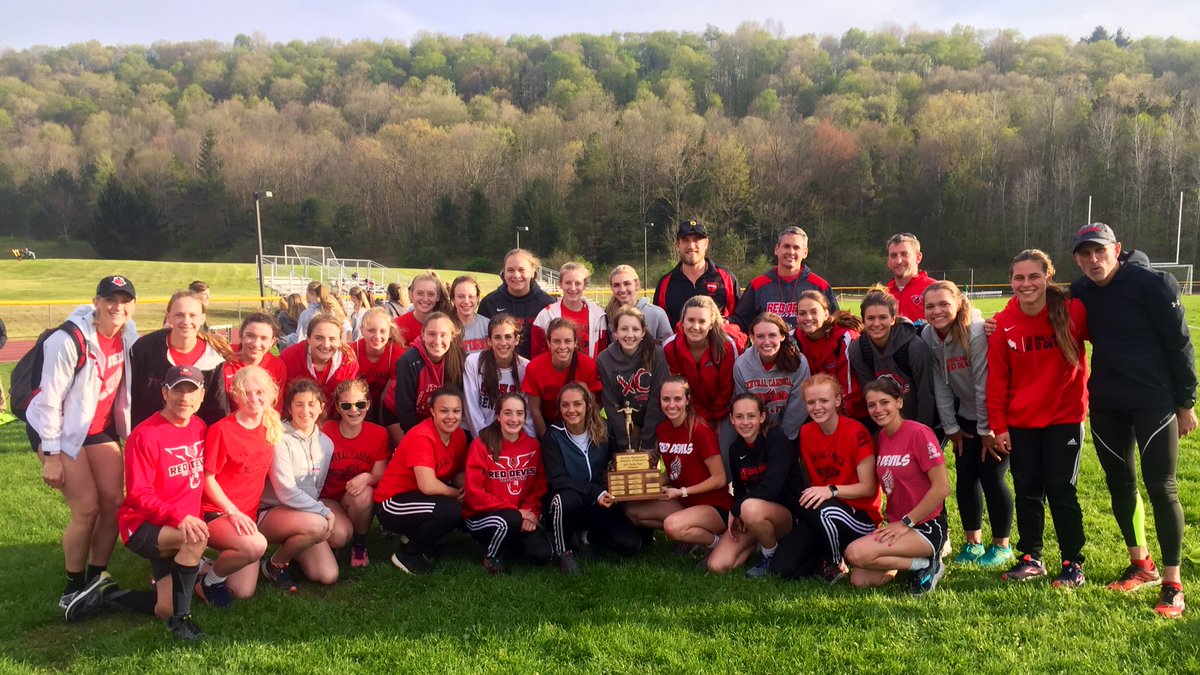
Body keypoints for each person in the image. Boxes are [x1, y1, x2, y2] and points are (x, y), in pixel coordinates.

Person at [1070, 223, 1195, 617]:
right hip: (1107, 400)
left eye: (1099, 251)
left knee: (1163, 488)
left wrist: (1186, 403)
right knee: (1119, 483)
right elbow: (1039, 301)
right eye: (1084, 254)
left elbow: (1180, 344)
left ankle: (1173, 583)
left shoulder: (1152, 285)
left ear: (1116, 249)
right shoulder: (1083, 289)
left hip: (1154, 401)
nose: (1093, 260)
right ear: (1077, 259)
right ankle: (1142, 564)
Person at [26, 275, 139, 621]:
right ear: (96, 301)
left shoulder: (127, 333)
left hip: (99, 428)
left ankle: (96, 576)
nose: (117, 307)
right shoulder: (68, 339)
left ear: (133, 305)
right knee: (87, 508)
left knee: (113, 503)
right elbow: (48, 403)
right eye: (110, 299)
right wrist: (52, 455)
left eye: (124, 300)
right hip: (59, 428)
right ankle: (71, 586)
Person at [987, 249, 1089, 588]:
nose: (1026, 283)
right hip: (1022, 422)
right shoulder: (1003, 322)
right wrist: (998, 426)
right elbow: (997, 380)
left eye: (1034, 276)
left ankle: (1072, 562)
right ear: (1011, 281)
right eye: (1019, 277)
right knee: (1028, 489)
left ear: (1047, 276)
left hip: (1064, 418)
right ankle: (1031, 557)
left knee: (1061, 489)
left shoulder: (1073, 310)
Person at [921, 281, 1013, 569]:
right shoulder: (928, 335)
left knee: (992, 476)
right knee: (965, 477)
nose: (937, 311)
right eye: (930, 306)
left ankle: (1002, 545)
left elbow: (984, 382)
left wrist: (988, 430)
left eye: (943, 304)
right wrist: (951, 427)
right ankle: (973, 543)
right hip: (965, 417)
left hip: (997, 416)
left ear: (959, 303)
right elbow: (941, 384)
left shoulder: (974, 332)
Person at [113, 365, 208, 640]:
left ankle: (109, 594)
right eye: (178, 389)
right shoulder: (144, 435)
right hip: (142, 525)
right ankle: (182, 622)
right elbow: (139, 496)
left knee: (164, 607)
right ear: (165, 392)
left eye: (191, 391)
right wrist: (181, 518)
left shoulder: (199, 427)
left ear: (201, 395)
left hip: (177, 525)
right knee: (194, 540)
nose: (184, 398)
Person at [844, 378, 951, 595]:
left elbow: (942, 488)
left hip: (925, 526)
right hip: (898, 526)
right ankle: (916, 564)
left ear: (899, 403)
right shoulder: (881, 437)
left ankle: (930, 564)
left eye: (885, 402)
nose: (878, 409)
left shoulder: (919, 433)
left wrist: (906, 522)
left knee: (855, 553)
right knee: (859, 578)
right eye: (871, 405)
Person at [772, 375, 881, 582]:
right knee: (782, 568)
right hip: (821, 514)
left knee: (820, 507)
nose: (817, 407)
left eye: (824, 401)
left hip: (860, 518)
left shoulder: (856, 431)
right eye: (811, 402)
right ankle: (823, 556)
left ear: (838, 401)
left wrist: (831, 490)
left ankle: (834, 563)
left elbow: (868, 488)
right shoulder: (806, 432)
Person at [195, 365, 280, 608]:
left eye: (260, 392)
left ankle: (203, 565)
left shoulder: (271, 425)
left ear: (270, 393)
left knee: (243, 591)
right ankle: (209, 581)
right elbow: (207, 478)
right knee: (256, 545)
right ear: (235, 396)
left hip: (248, 515)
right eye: (247, 393)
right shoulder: (222, 430)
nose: (254, 399)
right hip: (217, 512)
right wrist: (232, 512)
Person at [625, 377, 730, 564]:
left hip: (713, 506)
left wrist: (682, 491)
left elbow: (720, 479)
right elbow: (676, 472)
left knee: (672, 527)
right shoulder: (663, 430)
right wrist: (644, 484)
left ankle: (716, 543)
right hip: (684, 502)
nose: (671, 405)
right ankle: (691, 539)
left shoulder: (700, 430)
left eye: (677, 399)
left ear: (687, 400)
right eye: (666, 399)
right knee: (633, 511)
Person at [541, 383, 643, 573]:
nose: (571, 410)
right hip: (570, 503)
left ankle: (588, 538)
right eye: (565, 405)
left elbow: (615, 464)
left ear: (588, 405)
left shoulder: (604, 428)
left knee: (630, 545)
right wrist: (595, 491)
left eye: (577, 404)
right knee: (565, 499)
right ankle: (564, 552)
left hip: (600, 502)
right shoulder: (553, 435)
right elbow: (557, 479)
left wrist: (634, 476)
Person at [258, 379, 343, 591]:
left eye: (312, 404)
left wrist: (317, 510)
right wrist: (324, 512)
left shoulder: (326, 444)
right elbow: (286, 491)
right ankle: (274, 564)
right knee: (318, 525)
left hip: (303, 514)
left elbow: (317, 488)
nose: (306, 410)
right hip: (272, 511)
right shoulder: (279, 437)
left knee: (328, 575)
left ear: (322, 407)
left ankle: (293, 551)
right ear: (289, 407)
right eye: (299, 404)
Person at [706, 394, 805, 577]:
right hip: (755, 515)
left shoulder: (776, 440)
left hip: (787, 516)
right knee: (717, 566)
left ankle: (770, 555)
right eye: (739, 417)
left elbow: (771, 487)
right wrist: (739, 513)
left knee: (748, 507)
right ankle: (759, 543)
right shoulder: (735, 449)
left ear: (762, 417)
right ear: (731, 419)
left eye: (751, 416)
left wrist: (736, 510)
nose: (745, 422)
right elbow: (739, 490)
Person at [374, 387, 469, 575]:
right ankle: (408, 553)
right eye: (444, 411)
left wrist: (465, 488)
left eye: (456, 411)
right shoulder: (422, 436)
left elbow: (458, 470)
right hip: (392, 503)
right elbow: (428, 485)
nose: (450, 416)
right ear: (432, 411)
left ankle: (417, 539)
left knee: (457, 507)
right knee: (449, 510)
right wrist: (453, 494)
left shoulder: (458, 435)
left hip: (417, 496)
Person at [462, 394, 551, 574]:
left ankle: (509, 545)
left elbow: (538, 487)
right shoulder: (481, 445)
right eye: (508, 413)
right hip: (483, 516)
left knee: (542, 555)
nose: (514, 419)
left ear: (525, 417)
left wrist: (530, 512)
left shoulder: (533, 446)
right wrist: (516, 512)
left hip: (520, 515)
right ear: (498, 416)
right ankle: (491, 557)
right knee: (508, 520)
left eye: (519, 413)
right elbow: (474, 493)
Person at [131, 289, 231, 428]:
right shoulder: (145, 349)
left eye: (192, 315)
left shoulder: (212, 358)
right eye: (179, 315)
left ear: (202, 319)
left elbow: (217, 411)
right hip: (153, 434)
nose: (186, 321)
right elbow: (134, 400)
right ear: (169, 317)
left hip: (194, 438)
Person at [320, 379, 389, 568]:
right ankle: (330, 538)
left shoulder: (379, 434)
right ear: (338, 407)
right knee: (340, 536)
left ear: (368, 404)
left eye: (359, 404)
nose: (354, 410)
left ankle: (359, 544)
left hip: (353, 497)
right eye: (346, 405)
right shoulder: (325, 430)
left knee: (365, 494)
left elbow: (380, 473)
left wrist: (367, 477)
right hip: (327, 498)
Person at [848, 286, 937, 431]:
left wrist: (922, 431)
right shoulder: (858, 349)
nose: (876, 324)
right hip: (885, 425)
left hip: (917, 421)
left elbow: (926, 394)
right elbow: (871, 395)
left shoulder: (914, 347)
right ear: (863, 320)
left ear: (893, 319)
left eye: (883, 317)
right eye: (870, 318)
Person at [731, 226, 837, 331]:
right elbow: (740, 323)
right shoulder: (758, 285)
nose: (791, 252)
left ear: (805, 253)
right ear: (777, 249)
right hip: (769, 346)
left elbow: (836, 324)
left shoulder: (820, 286)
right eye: (786, 246)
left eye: (796, 247)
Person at [596, 307, 671, 451]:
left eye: (635, 329)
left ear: (643, 332)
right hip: (624, 423)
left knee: (648, 468)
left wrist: (648, 442)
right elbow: (611, 406)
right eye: (624, 329)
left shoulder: (657, 354)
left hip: (653, 419)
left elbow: (657, 398)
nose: (630, 335)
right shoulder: (604, 359)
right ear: (615, 332)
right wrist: (626, 443)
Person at [661, 295, 739, 429]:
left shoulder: (726, 346)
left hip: (723, 412)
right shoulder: (670, 347)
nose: (695, 327)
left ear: (711, 324)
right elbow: (676, 388)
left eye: (702, 321)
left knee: (722, 447)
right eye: (690, 320)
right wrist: (698, 416)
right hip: (687, 411)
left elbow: (728, 387)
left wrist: (716, 417)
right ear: (682, 322)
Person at [732, 313, 810, 441]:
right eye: (760, 336)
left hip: (788, 433)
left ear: (783, 336)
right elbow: (744, 405)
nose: (767, 341)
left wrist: (781, 438)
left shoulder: (799, 362)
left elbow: (798, 407)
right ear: (752, 338)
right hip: (755, 431)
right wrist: (757, 436)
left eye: (772, 335)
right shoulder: (741, 364)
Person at [522, 318, 603, 437]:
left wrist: (583, 435)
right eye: (556, 341)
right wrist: (547, 440)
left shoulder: (588, 365)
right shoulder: (535, 368)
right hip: (549, 423)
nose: (562, 346)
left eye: (568, 341)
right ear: (548, 343)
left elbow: (595, 406)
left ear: (575, 343)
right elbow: (535, 411)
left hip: (581, 424)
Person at [652, 219, 740, 327]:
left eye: (697, 240)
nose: (691, 246)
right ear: (677, 244)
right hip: (678, 344)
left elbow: (741, 318)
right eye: (685, 240)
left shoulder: (726, 278)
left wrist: (728, 323)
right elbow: (658, 326)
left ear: (706, 243)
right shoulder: (665, 283)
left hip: (719, 343)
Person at [794, 290, 866, 422]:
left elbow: (850, 391)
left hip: (852, 415)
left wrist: (838, 424)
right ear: (797, 317)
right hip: (817, 412)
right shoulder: (794, 339)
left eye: (814, 312)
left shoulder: (845, 337)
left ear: (826, 313)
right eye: (802, 313)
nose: (808, 317)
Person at [395, 312, 467, 433]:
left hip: (440, 418)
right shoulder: (409, 360)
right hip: (400, 417)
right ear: (423, 335)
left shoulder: (459, 358)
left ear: (452, 336)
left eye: (443, 335)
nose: (437, 341)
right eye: (431, 334)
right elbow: (404, 411)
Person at [464, 314, 534, 437]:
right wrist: (482, 440)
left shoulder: (526, 367)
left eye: (508, 337)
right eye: (497, 337)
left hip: (514, 436)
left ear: (516, 340)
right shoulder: (474, 362)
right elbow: (472, 407)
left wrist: (528, 443)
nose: (503, 343)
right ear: (489, 341)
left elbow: (527, 413)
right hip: (483, 435)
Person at [478, 249, 555, 360]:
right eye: (510, 270)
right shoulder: (489, 302)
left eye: (521, 270)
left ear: (533, 272)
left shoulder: (547, 303)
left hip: (535, 370)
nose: (516, 275)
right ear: (504, 273)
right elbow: (483, 341)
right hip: (498, 370)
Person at [279, 312, 360, 406]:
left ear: (339, 340)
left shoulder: (348, 361)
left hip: (336, 419)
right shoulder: (289, 358)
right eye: (319, 338)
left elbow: (350, 402)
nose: (326, 345)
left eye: (332, 339)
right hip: (299, 417)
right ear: (308, 339)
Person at [531, 262, 608, 359]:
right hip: (556, 373)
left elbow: (602, 353)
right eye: (568, 283)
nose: (573, 288)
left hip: (588, 373)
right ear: (560, 284)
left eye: (578, 283)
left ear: (585, 285)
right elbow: (538, 357)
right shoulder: (546, 316)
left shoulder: (598, 315)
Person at [352, 307, 405, 446]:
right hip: (357, 405)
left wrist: (382, 431)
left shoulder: (396, 354)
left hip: (383, 405)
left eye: (382, 331)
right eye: (371, 331)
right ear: (362, 330)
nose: (377, 336)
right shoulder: (352, 351)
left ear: (389, 332)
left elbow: (385, 399)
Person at [223, 313, 287, 414]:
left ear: (272, 342)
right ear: (241, 335)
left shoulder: (277, 366)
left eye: (264, 338)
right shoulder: (224, 359)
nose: (256, 344)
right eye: (250, 336)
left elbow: (275, 408)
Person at [607, 264, 672, 343]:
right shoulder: (608, 315)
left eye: (627, 283)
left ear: (636, 284)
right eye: (616, 285)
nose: (622, 289)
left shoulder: (656, 314)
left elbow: (668, 347)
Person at [885, 233, 935, 324]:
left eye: (904, 254)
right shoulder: (883, 293)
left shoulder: (935, 289)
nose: (898, 261)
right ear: (888, 261)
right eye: (893, 256)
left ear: (918, 258)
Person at [395, 271, 452, 347]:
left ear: (437, 297)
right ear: (411, 295)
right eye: (420, 293)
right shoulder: (397, 326)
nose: (425, 299)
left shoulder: (447, 325)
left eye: (431, 294)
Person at [450, 275, 489, 353]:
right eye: (461, 296)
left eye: (471, 296)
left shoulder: (488, 326)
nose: (466, 301)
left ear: (477, 298)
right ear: (453, 299)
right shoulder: (446, 326)